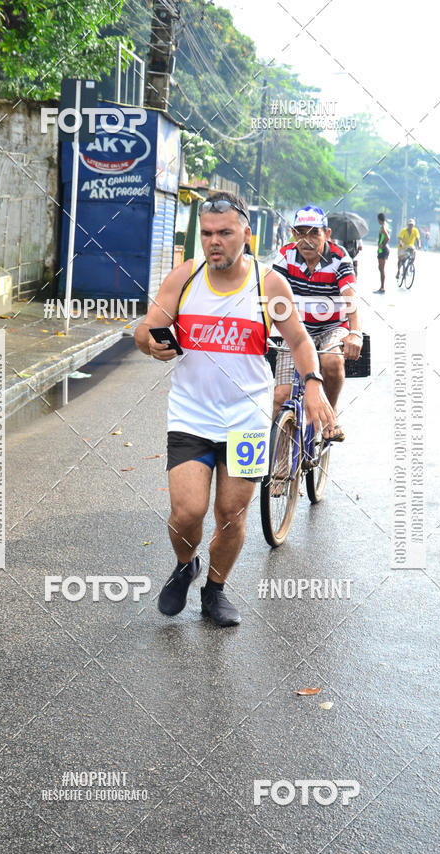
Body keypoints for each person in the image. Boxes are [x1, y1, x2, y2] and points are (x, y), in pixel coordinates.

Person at [134, 191, 335, 627]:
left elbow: (300, 341)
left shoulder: (268, 285)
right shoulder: (185, 278)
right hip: (191, 415)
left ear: (246, 234)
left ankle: (215, 590)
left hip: (246, 420)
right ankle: (186, 565)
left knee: (230, 514)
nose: (214, 241)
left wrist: (314, 384)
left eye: (224, 233)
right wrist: (150, 342)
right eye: (207, 233)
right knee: (187, 512)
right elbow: (146, 327)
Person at [272, 205, 362, 442]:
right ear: (293, 234)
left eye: (314, 233)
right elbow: (269, 292)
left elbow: (350, 298)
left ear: (327, 234)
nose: (307, 240)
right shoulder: (286, 255)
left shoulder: (339, 257)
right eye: (301, 233)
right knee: (280, 396)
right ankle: (278, 458)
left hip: (332, 327)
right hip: (295, 328)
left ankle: (329, 416)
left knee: (331, 360)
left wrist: (355, 333)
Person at [374, 212, 390, 294]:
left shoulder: (383, 227)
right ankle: (381, 286)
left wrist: (382, 245)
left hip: (383, 250)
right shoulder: (385, 225)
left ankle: (382, 287)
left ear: (379, 219)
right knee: (380, 268)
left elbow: (387, 237)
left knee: (382, 269)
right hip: (382, 250)